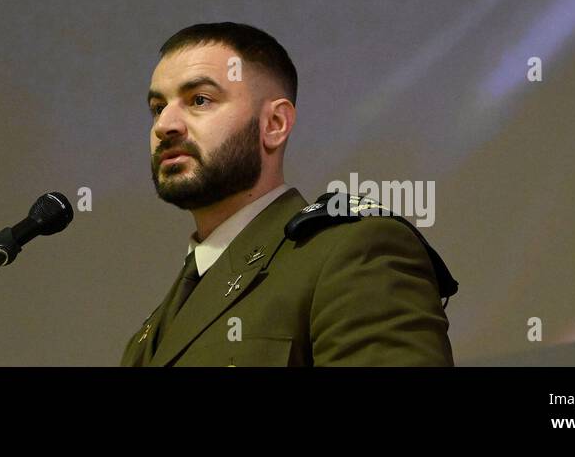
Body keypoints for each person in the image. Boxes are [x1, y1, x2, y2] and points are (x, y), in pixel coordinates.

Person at [122, 22, 453, 366]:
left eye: (200, 100)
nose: (164, 125)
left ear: (274, 124)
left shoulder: (353, 251)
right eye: (158, 107)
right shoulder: (154, 328)